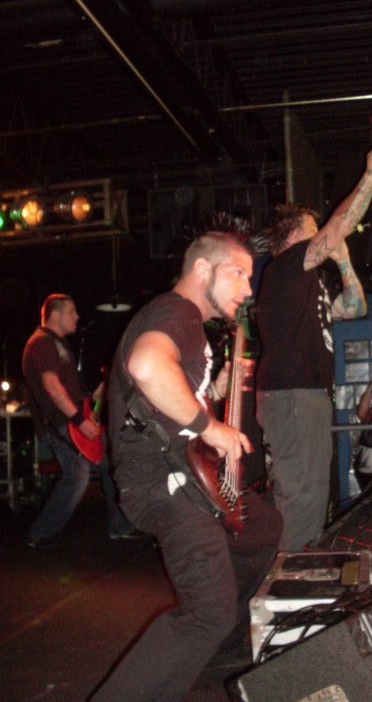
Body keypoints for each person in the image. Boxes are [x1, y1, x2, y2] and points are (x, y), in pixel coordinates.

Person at [90, 232, 282, 702]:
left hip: (178, 472)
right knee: (207, 611)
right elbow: (147, 366)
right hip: (164, 481)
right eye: (238, 273)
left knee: (262, 529)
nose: (248, 288)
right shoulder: (178, 312)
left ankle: (213, 645)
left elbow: (165, 403)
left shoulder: (187, 324)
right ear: (202, 270)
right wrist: (210, 428)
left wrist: (211, 392)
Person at [255, 128, 372, 551]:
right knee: (303, 495)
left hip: (303, 395)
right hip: (294, 394)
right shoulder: (285, 267)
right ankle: (290, 576)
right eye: (313, 230)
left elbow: (355, 307)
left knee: (309, 493)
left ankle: (293, 567)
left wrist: (344, 259)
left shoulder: (305, 286)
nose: (322, 237)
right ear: (292, 238)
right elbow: (340, 225)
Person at [22, 294, 135, 547]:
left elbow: (67, 389)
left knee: (108, 464)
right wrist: (78, 419)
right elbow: (52, 387)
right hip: (61, 424)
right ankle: (40, 533)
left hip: (72, 420)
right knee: (77, 476)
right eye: (71, 311)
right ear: (55, 314)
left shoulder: (55, 343)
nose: (77, 317)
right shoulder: (42, 343)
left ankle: (119, 525)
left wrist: (92, 396)